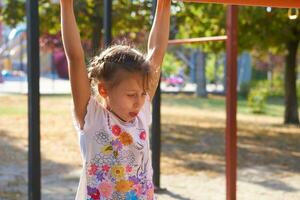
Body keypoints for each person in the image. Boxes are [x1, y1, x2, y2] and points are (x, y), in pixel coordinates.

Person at [60, 0, 171, 199]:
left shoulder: (141, 113)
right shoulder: (92, 117)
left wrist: (164, 6)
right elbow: (75, 58)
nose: (139, 101)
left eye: (143, 93)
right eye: (131, 95)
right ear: (103, 90)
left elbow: (157, 51)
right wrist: (66, 6)